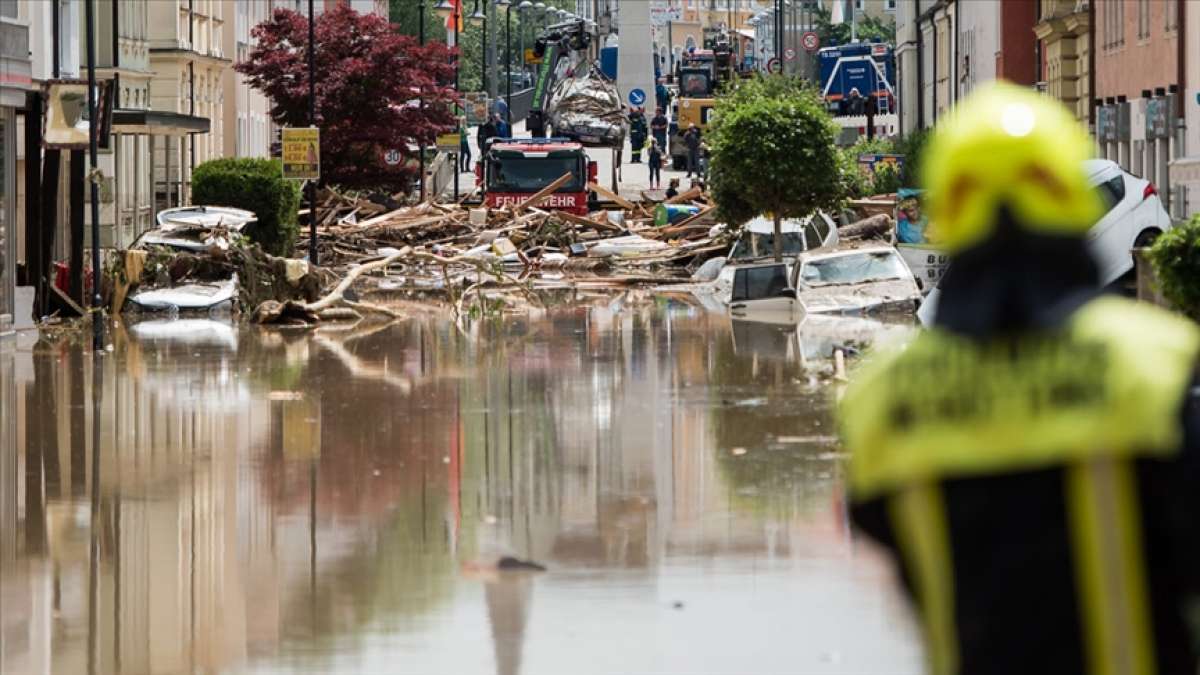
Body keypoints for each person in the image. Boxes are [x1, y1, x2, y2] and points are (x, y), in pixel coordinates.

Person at [839, 82, 1200, 675]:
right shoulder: (1154, 365)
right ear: (1069, 199)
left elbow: (894, 552)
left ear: (949, 211)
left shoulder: (883, 398)